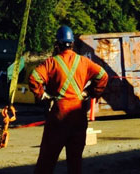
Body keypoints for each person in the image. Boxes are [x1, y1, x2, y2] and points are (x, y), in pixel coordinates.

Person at [29, 24, 108, 174]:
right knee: (75, 162)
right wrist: (90, 92)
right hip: (78, 117)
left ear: (57, 44)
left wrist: (42, 95)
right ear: (72, 43)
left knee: (46, 162)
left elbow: (34, 78)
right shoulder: (83, 62)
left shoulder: (51, 62)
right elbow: (102, 75)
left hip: (58, 117)